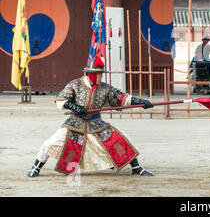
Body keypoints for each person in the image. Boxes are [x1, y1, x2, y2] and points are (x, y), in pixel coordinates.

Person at [27, 55, 155, 177]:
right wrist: (75, 107)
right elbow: (61, 100)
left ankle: (136, 168)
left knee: (121, 140)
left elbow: (121, 98)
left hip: (96, 124)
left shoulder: (105, 88)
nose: (99, 78)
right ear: (89, 74)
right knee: (51, 143)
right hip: (75, 123)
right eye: (97, 75)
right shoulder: (74, 85)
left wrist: (141, 102)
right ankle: (36, 167)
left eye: (100, 74)